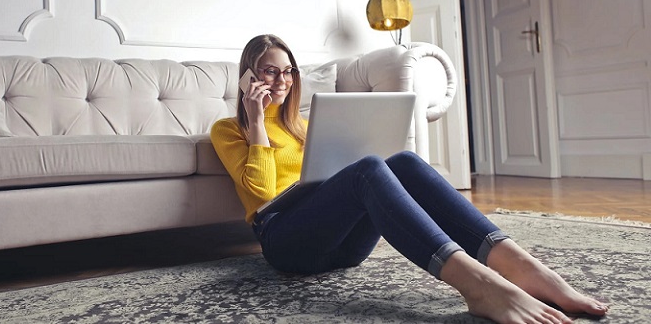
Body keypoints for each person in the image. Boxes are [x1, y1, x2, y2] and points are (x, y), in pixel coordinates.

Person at [210, 34, 608, 324]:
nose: (281, 80)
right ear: (248, 76)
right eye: (269, 71)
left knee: (401, 160)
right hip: (286, 242)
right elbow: (260, 191)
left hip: (344, 248)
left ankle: (520, 265)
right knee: (367, 168)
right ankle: (478, 285)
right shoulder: (228, 129)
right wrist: (257, 121)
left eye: (288, 71)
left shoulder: (308, 125)